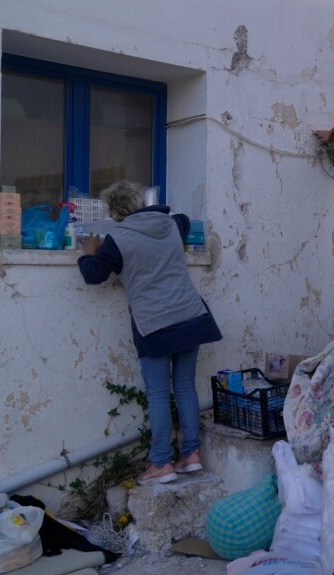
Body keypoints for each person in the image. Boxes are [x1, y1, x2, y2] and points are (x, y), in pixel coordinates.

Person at [78, 181, 222, 484]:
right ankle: (191, 455)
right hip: (191, 316)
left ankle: (161, 463)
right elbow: (183, 220)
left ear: (115, 213)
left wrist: (90, 252)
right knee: (185, 387)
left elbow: (95, 275)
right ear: (140, 202)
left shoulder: (118, 239)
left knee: (158, 393)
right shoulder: (171, 225)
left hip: (155, 325)